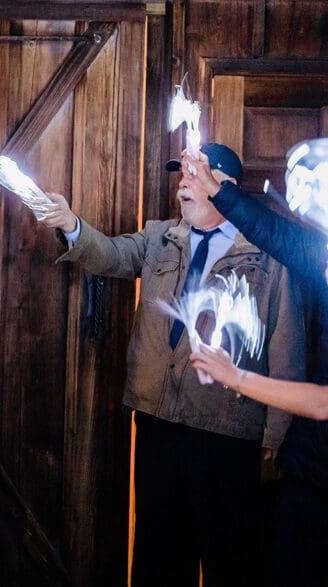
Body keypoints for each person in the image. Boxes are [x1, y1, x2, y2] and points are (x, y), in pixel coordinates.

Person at [38, 142, 305, 587]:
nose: (181, 182)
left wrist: (277, 430)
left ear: (227, 188)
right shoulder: (161, 235)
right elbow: (112, 254)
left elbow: (287, 342)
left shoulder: (267, 253)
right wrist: (71, 225)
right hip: (159, 423)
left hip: (228, 431)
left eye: (193, 174)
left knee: (231, 558)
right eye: (180, 174)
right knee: (160, 557)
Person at [183, 147, 328, 586]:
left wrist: (236, 376)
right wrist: (217, 192)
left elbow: (324, 403)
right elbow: (271, 233)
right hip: (309, 473)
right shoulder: (319, 254)